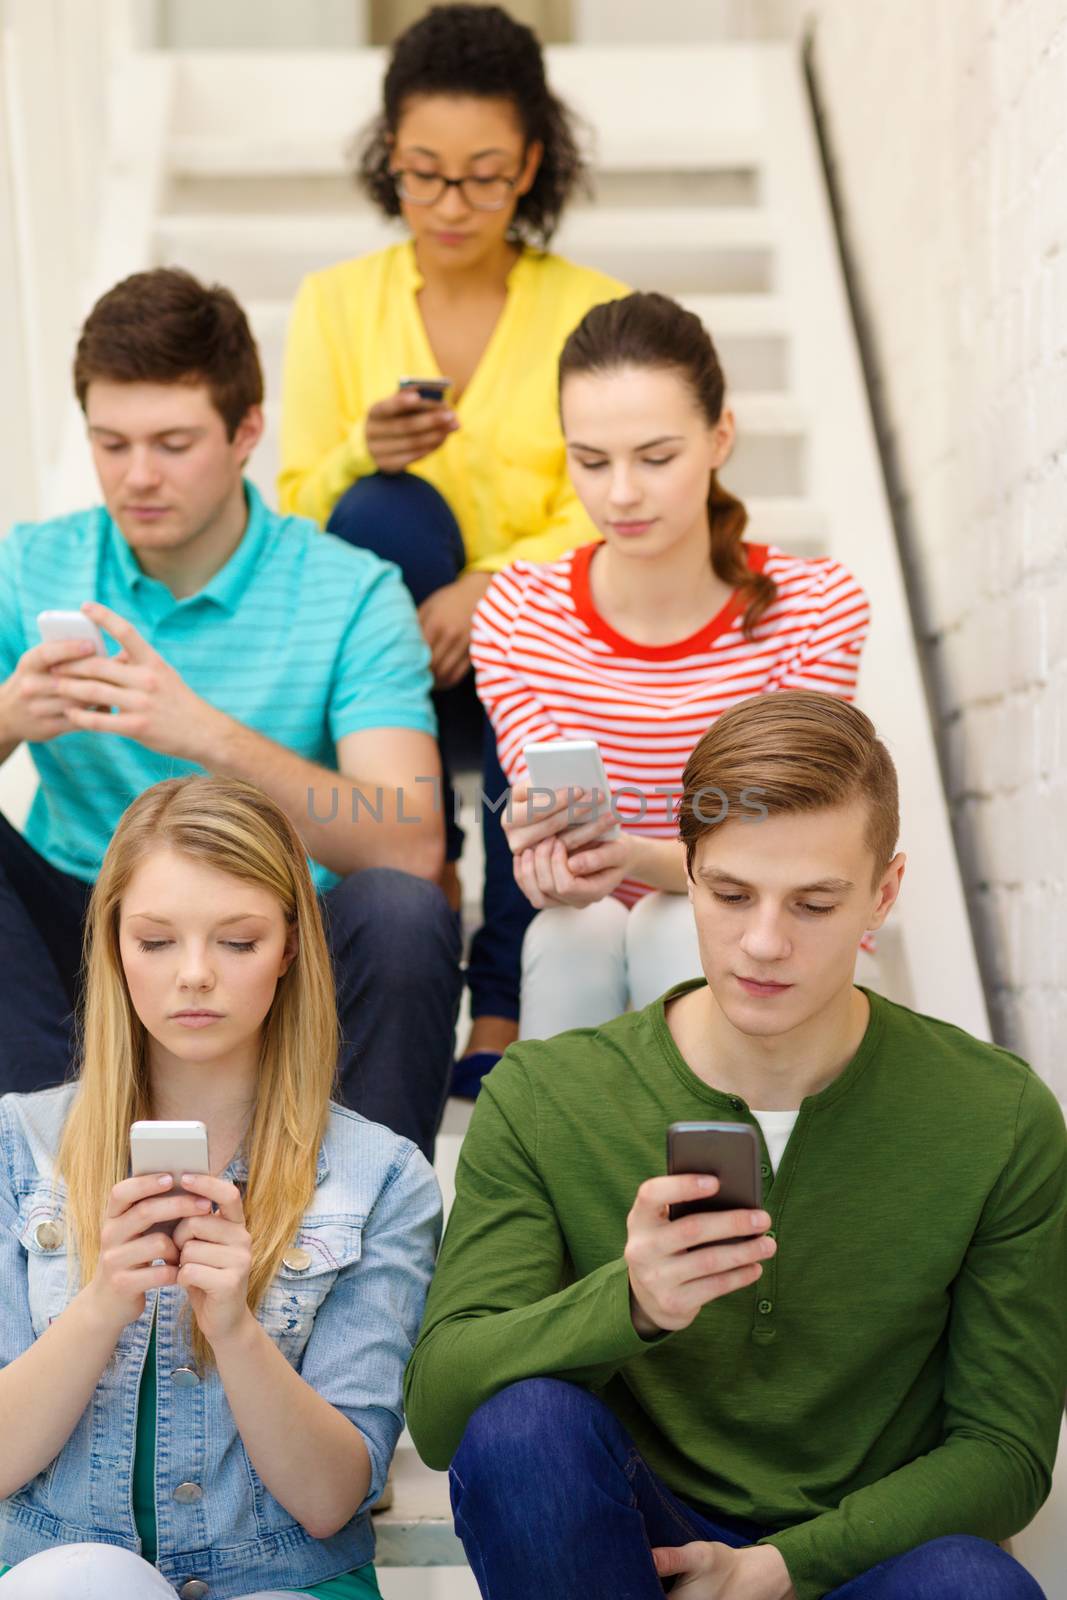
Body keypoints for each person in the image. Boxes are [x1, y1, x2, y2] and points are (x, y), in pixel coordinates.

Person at [404, 691, 1067, 1600]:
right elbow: (442, 1415)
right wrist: (629, 1301)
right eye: (729, 894)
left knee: (975, 1585)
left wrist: (784, 1567)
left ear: (884, 892)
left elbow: (1005, 1452)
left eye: (815, 903)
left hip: (862, 1559)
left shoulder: (997, 1115)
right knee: (522, 1430)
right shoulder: (546, 1093)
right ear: (686, 870)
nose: (763, 943)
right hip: (638, 1543)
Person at [0, 267, 460, 1160]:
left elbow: (407, 841)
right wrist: (10, 717)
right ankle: (33, 1196)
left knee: (404, 912)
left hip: (275, 947)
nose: (136, 477)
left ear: (246, 431)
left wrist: (198, 733)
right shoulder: (31, 565)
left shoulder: (349, 592)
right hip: (87, 935)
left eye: (173, 443)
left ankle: (359, 1235)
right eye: (110, 443)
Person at [279, 3, 626, 1091]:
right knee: (382, 509)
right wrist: (356, 448)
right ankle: (417, 876)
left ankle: (503, 992)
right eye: (422, 173)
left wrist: (493, 587)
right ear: (390, 160)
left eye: (481, 175)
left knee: (538, 645)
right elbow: (296, 507)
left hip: (526, 653)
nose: (448, 203)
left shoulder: (592, 311)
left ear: (529, 164)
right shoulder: (337, 303)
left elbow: (615, 493)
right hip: (392, 661)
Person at [0, 774, 441, 1598]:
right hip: (53, 1562)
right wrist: (101, 1304)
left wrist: (235, 1327)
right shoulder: (15, 1146)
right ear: (112, 947)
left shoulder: (382, 1180)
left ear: (289, 951)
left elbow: (329, 1498)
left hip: (285, 1573)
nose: (194, 975)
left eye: (236, 942)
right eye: (156, 941)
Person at [471, 292, 870, 1045]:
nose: (620, 493)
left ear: (720, 437)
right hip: (589, 938)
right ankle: (568, 1161)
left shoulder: (815, 608)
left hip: (774, 935)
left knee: (668, 922)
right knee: (567, 934)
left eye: (656, 458)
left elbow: (785, 840)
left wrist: (639, 859)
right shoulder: (518, 613)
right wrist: (541, 845)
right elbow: (539, 795)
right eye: (591, 461)